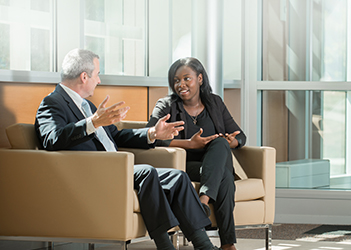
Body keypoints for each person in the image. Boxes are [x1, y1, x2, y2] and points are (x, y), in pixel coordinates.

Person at [35, 49, 222, 250]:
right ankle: (164, 245)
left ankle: (204, 245)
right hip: (91, 172)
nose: (98, 80)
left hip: (117, 168)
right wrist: (92, 123)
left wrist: (152, 133)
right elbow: (51, 139)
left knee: (178, 177)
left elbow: (115, 136)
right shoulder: (52, 103)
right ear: (84, 76)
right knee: (146, 172)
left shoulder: (87, 105)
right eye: (97, 74)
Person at [146, 57, 247, 250]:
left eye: (186, 78)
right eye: (176, 80)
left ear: (200, 78)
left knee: (220, 146)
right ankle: (228, 244)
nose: (181, 85)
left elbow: (240, 135)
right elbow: (150, 136)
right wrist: (189, 144)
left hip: (212, 165)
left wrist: (233, 141)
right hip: (184, 165)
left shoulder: (215, 103)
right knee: (224, 175)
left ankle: (204, 201)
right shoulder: (166, 105)